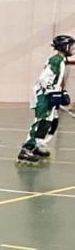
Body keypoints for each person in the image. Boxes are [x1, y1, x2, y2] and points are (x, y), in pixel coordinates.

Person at [18, 34, 74, 163]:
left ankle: (36, 145)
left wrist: (61, 92)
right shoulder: (56, 60)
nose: (72, 48)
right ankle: (26, 149)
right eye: (71, 46)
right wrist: (54, 94)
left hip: (49, 93)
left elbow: (55, 80)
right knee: (41, 121)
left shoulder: (60, 60)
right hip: (43, 95)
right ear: (64, 46)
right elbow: (45, 79)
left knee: (51, 122)